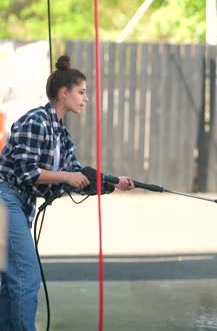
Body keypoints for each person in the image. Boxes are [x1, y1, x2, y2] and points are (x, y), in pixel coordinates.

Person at [0, 55, 134, 331]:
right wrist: (69, 177)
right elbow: (27, 172)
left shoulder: (61, 132)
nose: (86, 99)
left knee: (13, 279)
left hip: (20, 205)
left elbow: (76, 174)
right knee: (25, 276)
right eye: (82, 92)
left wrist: (112, 183)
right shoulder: (36, 121)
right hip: (5, 199)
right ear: (64, 92)